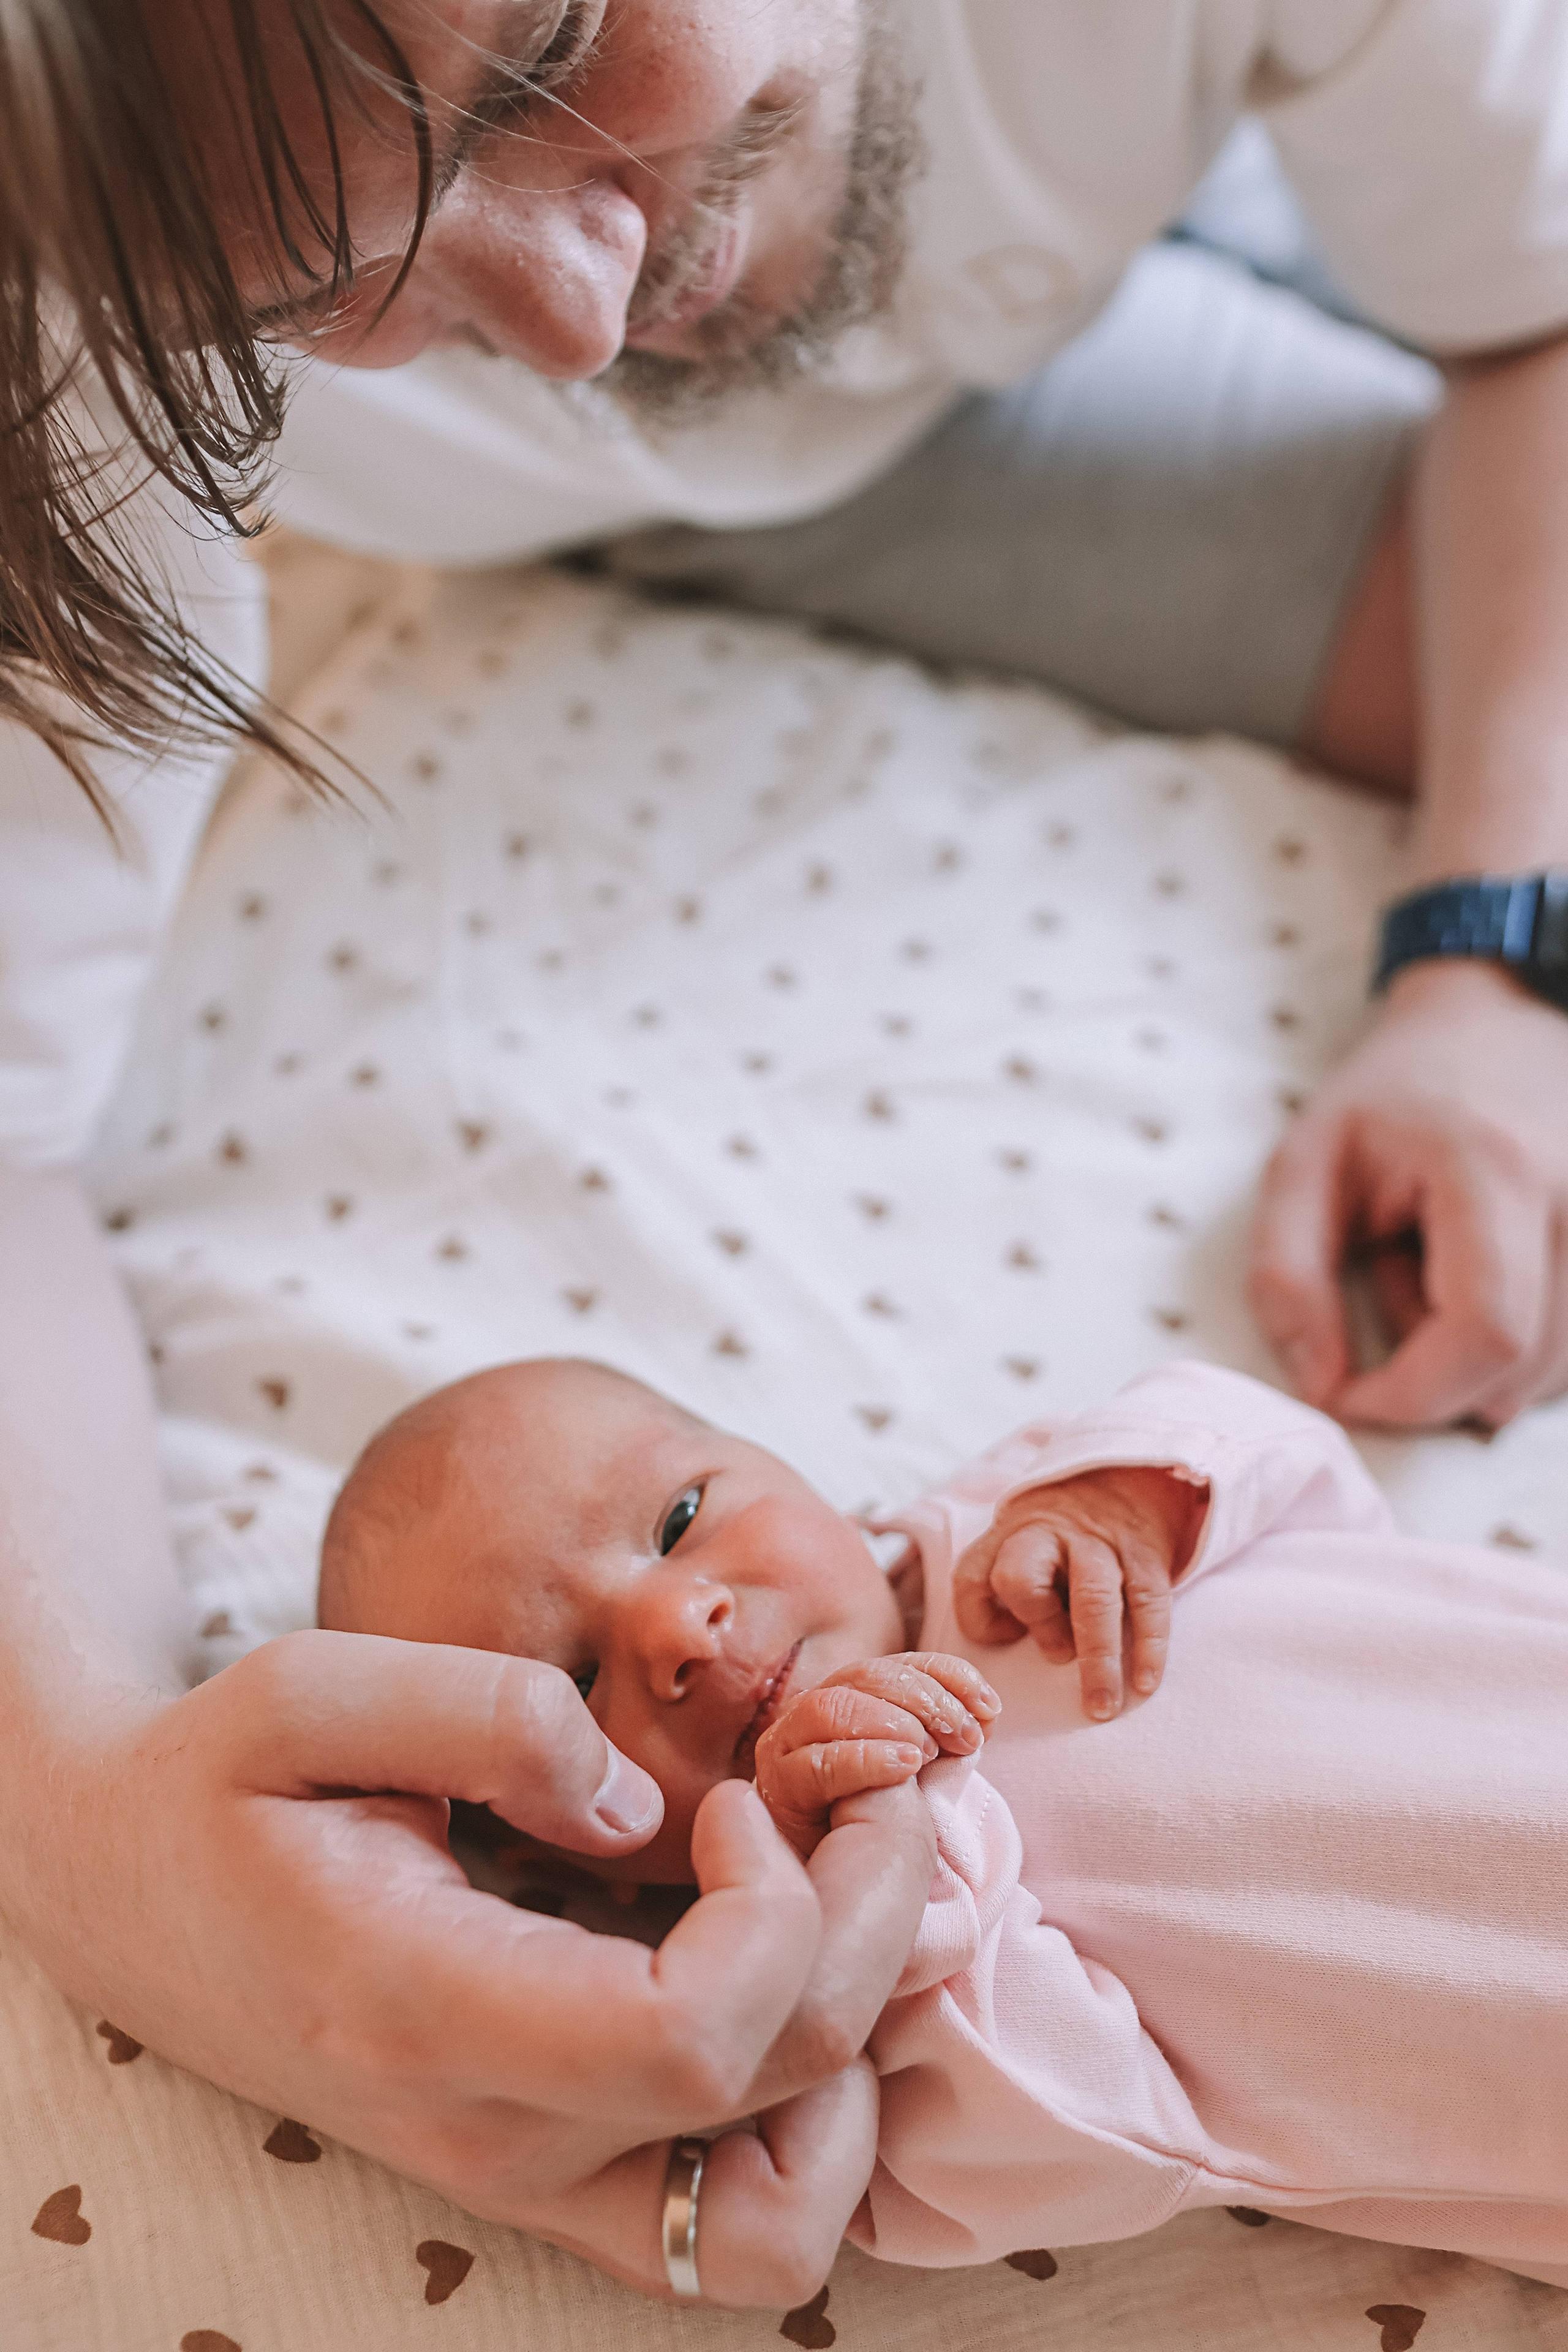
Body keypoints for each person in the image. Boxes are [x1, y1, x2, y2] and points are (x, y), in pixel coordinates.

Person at [4, 0, 1568, 2287]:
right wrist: (91, 1816)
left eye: (549, 32)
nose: (567, 313)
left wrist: (1490, 958)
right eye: (298, 292)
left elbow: (1531, 304)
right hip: (843, 470)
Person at [317, 1353, 1568, 2307]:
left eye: (681, 1516)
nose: (676, 1627)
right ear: (549, 1848)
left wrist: (1127, 1498)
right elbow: (1095, 2136)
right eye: (578, 1679)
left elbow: (1287, 1467)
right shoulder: (846, 2008)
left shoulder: (1006, 1530)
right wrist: (872, 1838)